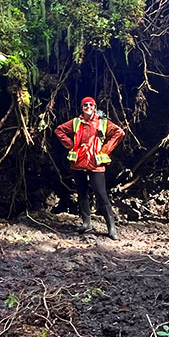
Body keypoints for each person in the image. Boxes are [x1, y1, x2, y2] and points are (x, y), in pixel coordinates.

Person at [55, 97, 125, 239]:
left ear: (94, 107)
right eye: (85, 105)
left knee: (101, 193)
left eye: (90, 105)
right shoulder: (76, 122)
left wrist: (105, 149)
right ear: (82, 107)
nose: (88, 106)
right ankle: (86, 223)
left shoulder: (102, 122)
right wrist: (71, 145)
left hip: (95, 163)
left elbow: (120, 133)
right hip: (79, 162)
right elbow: (59, 130)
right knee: (82, 192)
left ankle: (111, 227)